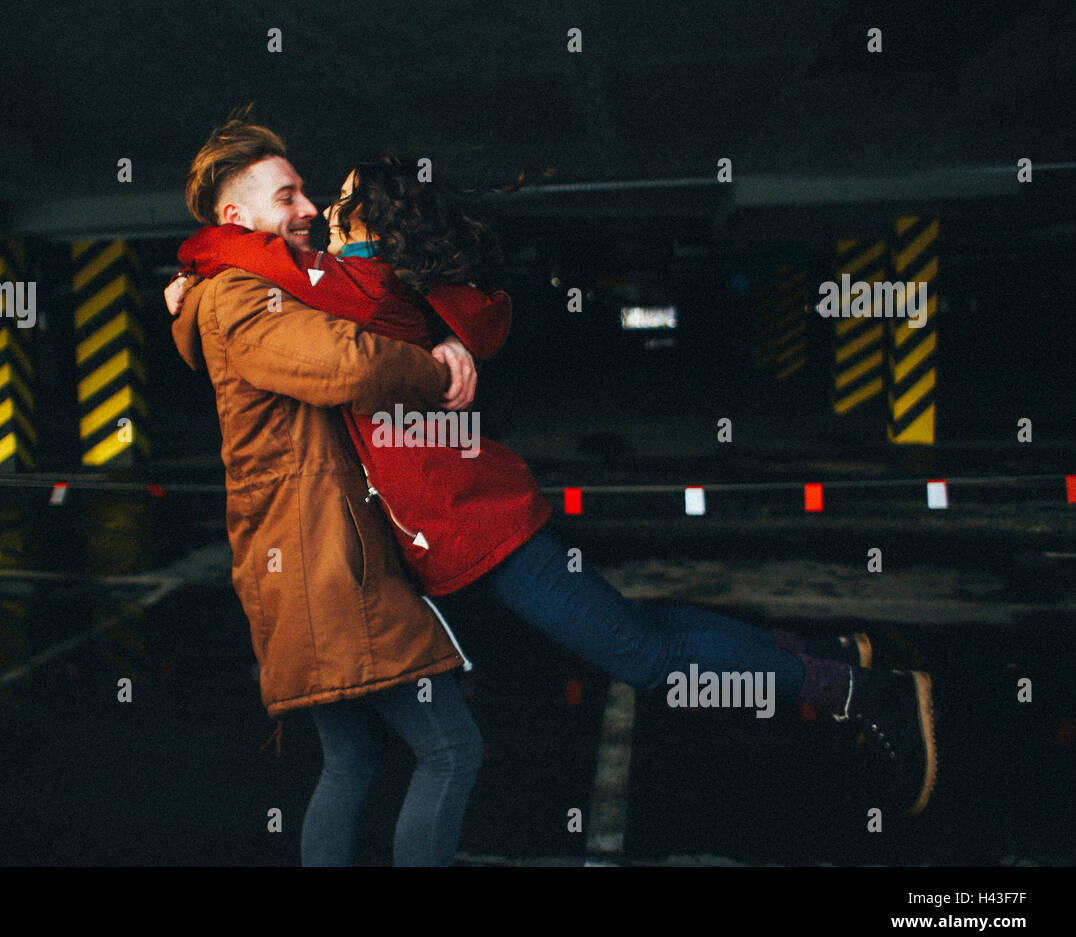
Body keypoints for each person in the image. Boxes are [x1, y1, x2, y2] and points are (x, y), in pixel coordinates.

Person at [168, 149, 939, 818]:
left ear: (369, 217)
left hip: (483, 529)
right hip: (478, 519)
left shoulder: (362, 286)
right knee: (643, 630)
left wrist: (197, 276)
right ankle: (829, 652)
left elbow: (270, 282)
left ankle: (864, 693)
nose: (322, 209)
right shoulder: (385, 287)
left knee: (645, 660)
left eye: (337, 195)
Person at [169, 108, 485, 866]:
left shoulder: (244, 283)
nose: (309, 209)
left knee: (352, 762)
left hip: (310, 558)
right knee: (450, 750)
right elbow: (351, 364)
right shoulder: (242, 296)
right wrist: (441, 364)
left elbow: (351, 307)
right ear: (237, 217)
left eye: (305, 191)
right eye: (288, 197)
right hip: (322, 565)